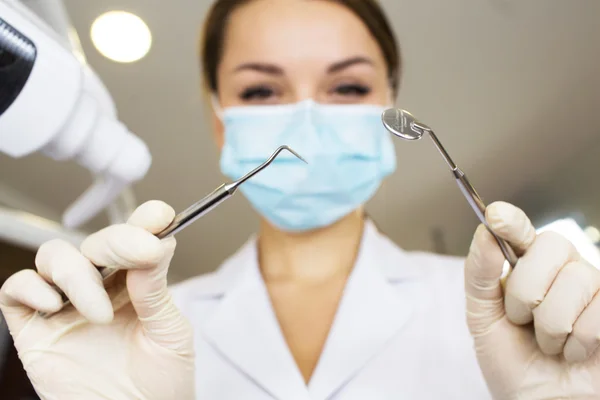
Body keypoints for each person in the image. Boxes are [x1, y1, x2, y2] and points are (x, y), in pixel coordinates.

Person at [1, 0, 600, 398]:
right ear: (220, 120)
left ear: (391, 108)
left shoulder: (515, 322)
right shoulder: (136, 330)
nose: (308, 120)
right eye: (262, 89)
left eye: (347, 86)